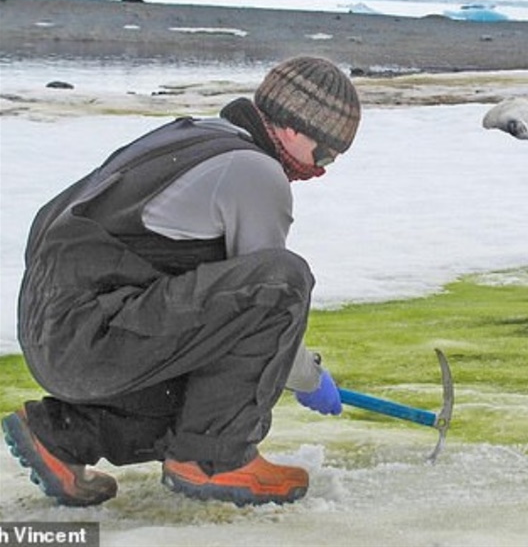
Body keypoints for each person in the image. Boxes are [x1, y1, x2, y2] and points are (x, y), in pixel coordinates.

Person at [1, 56, 361, 507]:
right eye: (324, 153)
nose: (321, 169)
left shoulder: (194, 136)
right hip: (93, 334)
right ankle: (216, 460)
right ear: (293, 128)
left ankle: (62, 437)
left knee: (204, 394)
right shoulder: (255, 170)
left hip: (55, 331)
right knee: (286, 281)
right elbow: (267, 299)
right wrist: (308, 376)